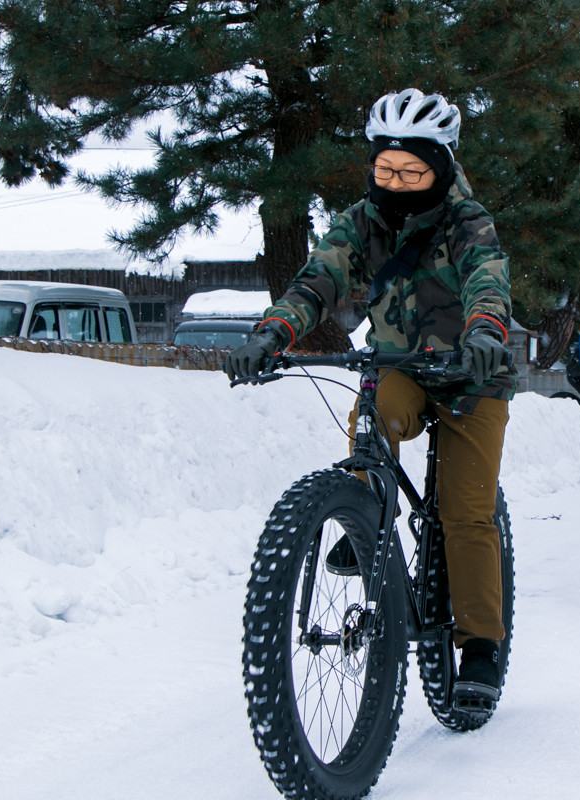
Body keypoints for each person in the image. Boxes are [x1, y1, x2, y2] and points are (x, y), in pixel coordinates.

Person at [223, 88, 515, 704]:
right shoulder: (362, 221)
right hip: (400, 363)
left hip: (470, 374)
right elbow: (318, 278)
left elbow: (487, 278)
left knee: (465, 513)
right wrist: (271, 334)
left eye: (413, 171)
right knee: (373, 421)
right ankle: (364, 518)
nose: (399, 182)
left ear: (442, 165)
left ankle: (482, 646)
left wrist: (486, 331)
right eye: (386, 169)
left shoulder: (468, 222)